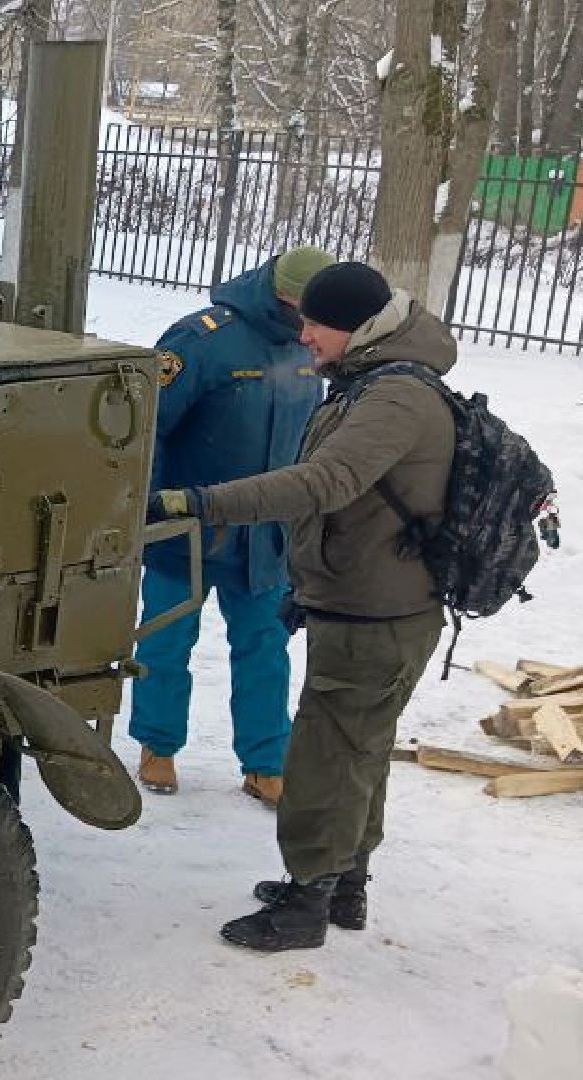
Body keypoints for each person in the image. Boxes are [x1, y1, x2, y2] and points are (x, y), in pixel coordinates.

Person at [150, 261, 459, 953]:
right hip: (369, 599)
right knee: (358, 749)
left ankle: (305, 902)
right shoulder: (376, 377)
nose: (305, 335)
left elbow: (322, 482)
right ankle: (344, 884)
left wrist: (199, 502)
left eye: (317, 324)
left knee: (326, 756)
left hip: (376, 610)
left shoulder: (395, 395)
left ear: (355, 327)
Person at [132, 245, 335, 808]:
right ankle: (157, 744)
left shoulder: (312, 346)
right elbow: (148, 426)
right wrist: (150, 506)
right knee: (166, 640)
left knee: (266, 647)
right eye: (308, 308)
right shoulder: (202, 340)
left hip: (265, 534)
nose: (313, 323)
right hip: (187, 523)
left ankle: (266, 761)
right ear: (283, 293)